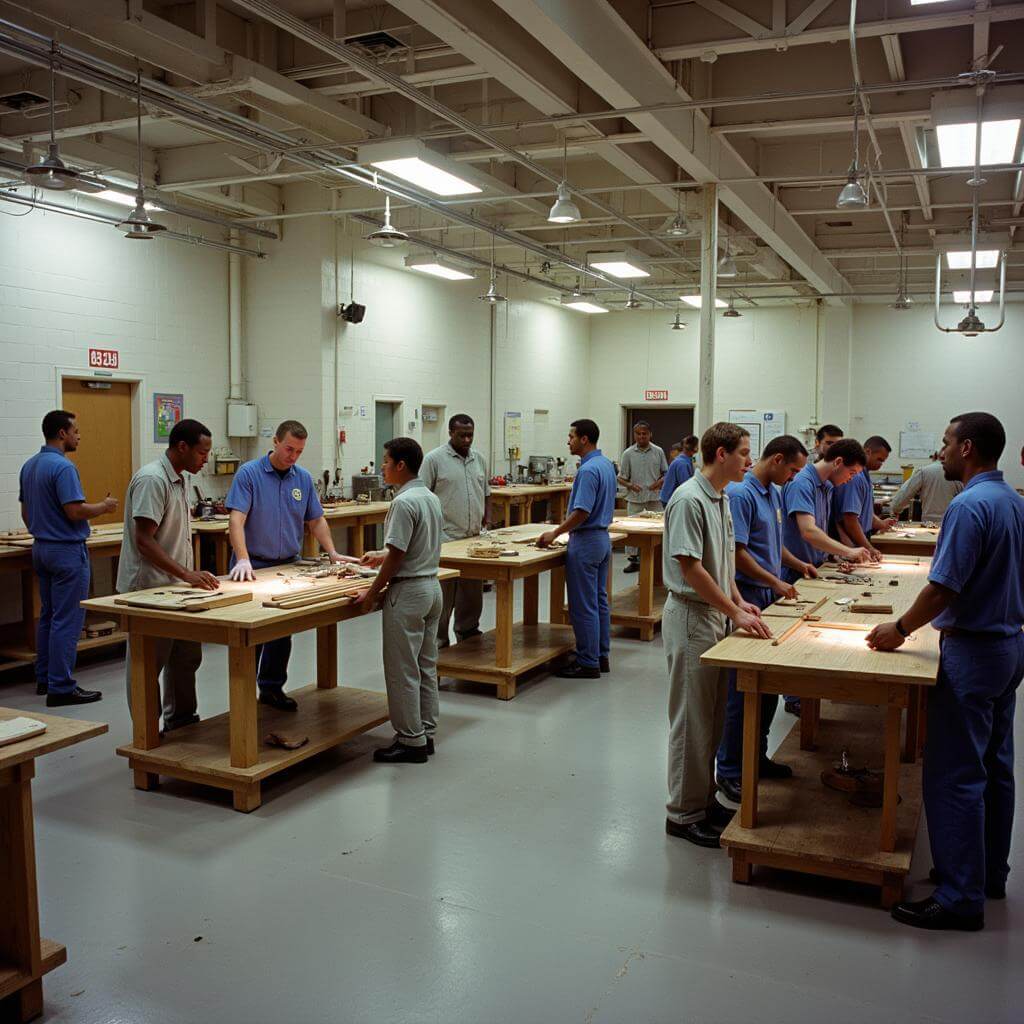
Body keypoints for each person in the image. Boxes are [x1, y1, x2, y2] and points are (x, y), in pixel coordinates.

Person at [867, 412, 1024, 933]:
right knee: (996, 767)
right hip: (1008, 646)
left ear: (968, 449)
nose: (941, 450)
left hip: (973, 652)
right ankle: (988, 874)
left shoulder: (969, 504)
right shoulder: (1014, 503)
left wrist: (900, 628)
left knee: (956, 774)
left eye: (947, 442)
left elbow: (943, 587)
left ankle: (959, 897)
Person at [663, 422, 772, 848]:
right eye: (745, 452)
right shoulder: (689, 500)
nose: (750, 460)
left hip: (715, 615)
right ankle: (683, 814)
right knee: (691, 720)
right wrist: (733, 611)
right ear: (721, 454)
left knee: (711, 719)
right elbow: (691, 570)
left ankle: (703, 800)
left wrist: (739, 602)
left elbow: (721, 563)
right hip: (692, 617)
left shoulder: (721, 497)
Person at [715, 435, 820, 804]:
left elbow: (776, 544)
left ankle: (755, 757)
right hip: (749, 596)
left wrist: (797, 564)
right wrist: (775, 580)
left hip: (769, 594)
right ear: (776, 459)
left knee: (768, 689)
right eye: (792, 469)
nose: (793, 477)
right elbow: (739, 554)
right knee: (742, 691)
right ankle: (729, 769)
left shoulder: (774, 492)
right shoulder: (743, 494)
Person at [225, 420, 348, 711]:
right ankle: (243, 699)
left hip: (288, 565)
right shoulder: (249, 474)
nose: (293, 456)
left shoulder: (302, 478)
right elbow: (236, 520)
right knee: (249, 632)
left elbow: (316, 519)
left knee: (281, 631)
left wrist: (332, 552)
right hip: (253, 565)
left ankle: (271, 688)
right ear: (275, 441)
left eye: (299, 452)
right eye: (289, 449)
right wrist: (242, 558)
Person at [117, 419, 219, 733]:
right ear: (182, 447)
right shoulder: (152, 479)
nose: (206, 459)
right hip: (149, 590)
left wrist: (187, 577)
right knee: (148, 665)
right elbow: (144, 541)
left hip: (176, 589)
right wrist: (187, 574)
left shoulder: (180, 478)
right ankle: (148, 736)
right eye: (202, 453)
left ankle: (183, 725)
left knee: (186, 658)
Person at [19, 410, 117, 706]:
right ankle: (61, 687)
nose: (79, 435)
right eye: (75, 430)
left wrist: (43, 529)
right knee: (68, 619)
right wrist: (104, 506)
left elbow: (26, 512)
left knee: (48, 615)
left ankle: (45, 678)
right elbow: (74, 511)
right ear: (61, 433)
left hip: (41, 548)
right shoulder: (63, 468)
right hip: (66, 551)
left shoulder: (30, 465)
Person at [356, 437, 444, 764]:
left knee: (402, 669)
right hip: (431, 588)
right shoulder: (429, 497)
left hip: (407, 593)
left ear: (400, 465)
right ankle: (425, 731)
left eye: (385, 460)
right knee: (425, 666)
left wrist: (372, 592)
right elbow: (406, 547)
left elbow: (398, 557)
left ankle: (410, 741)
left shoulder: (403, 502)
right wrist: (381, 555)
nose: (382, 466)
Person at [780, 437, 872, 714]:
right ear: (838, 463)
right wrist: (850, 550)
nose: (850, 480)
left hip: (813, 568)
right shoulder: (802, 483)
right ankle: (795, 697)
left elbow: (821, 530)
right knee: (795, 639)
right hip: (793, 571)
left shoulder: (828, 487)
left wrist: (834, 555)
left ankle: (805, 692)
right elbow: (808, 531)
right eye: (852, 474)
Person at [538, 419, 617, 679]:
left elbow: (582, 511)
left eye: (571, 436)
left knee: (583, 606)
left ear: (584, 439)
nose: (568, 441)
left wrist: (555, 532)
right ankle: (600, 654)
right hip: (602, 539)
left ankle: (587, 662)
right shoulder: (605, 464)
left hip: (585, 541)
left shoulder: (588, 470)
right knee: (599, 601)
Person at [421, 413, 489, 646]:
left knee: (472, 593)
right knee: (443, 594)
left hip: (472, 539)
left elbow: (486, 494)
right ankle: (438, 640)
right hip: (445, 539)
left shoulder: (479, 459)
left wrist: (484, 523)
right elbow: (423, 496)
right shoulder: (434, 460)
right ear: (450, 433)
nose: (467, 440)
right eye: (462, 435)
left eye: (470, 435)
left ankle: (468, 631)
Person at [833, 435, 897, 559]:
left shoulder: (865, 476)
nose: (881, 465)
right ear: (867, 452)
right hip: (852, 541)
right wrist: (868, 548)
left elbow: (863, 511)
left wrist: (881, 524)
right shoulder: (855, 478)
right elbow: (850, 520)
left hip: (860, 538)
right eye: (879, 459)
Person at [618, 421, 667, 573]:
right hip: (635, 497)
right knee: (631, 530)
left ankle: (659, 559)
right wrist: (631, 486)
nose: (641, 436)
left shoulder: (658, 451)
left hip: (654, 497)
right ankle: (633, 560)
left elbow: (666, 473)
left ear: (650, 434)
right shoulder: (628, 453)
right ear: (634, 435)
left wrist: (658, 483)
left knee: (660, 527)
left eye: (644, 433)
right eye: (638, 434)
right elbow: (620, 477)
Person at [889, 454, 963, 523]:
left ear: (934, 457)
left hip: (928, 523)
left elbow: (902, 497)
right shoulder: (959, 472)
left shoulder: (924, 471)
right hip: (952, 523)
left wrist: (896, 510)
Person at [660, 434, 699, 505]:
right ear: (696, 448)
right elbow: (685, 485)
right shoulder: (682, 463)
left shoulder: (687, 460)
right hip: (671, 499)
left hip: (671, 497)